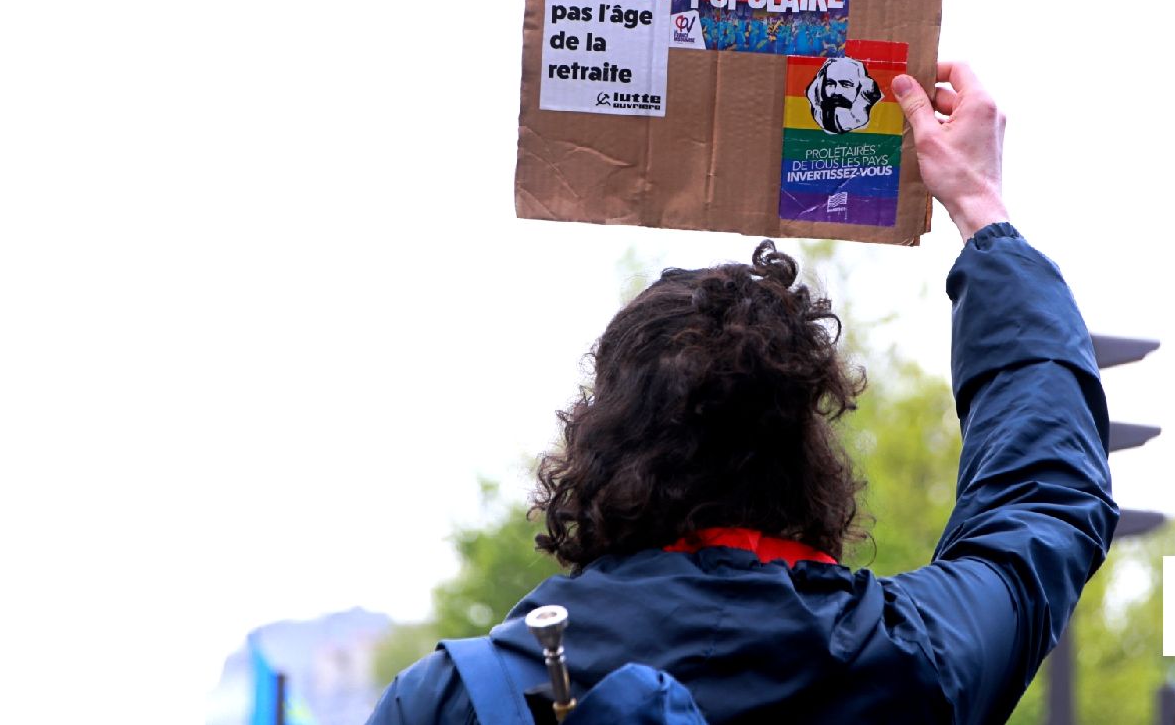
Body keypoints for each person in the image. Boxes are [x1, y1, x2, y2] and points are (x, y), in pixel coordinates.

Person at [367, 61, 1119, 725]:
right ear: (810, 459)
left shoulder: (451, 698)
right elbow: (1042, 500)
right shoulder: (914, 659)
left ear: (597, 445)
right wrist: (981, 209)